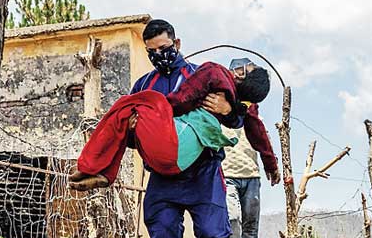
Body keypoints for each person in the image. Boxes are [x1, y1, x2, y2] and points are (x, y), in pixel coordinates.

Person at [92, 19, 242, 238]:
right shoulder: (143, 86)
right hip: (162, 177)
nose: (160, 55)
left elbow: (237, 118)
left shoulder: (202, 75)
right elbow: (129, 136)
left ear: (177, 43)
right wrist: (132, 130)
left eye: (165, 48)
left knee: (213, 237)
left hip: (204, 172)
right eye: (152, 52)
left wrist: (228, 109)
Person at [70, 61, 271, 186]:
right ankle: (103, 173)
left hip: (171, 145)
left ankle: (92, 166)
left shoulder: (216, 72)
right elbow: (257, 131)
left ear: (242, 75)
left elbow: (180, 100)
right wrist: (271, 164)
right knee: (130, 117)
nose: (240, 67)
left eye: (247, 68)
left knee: (129, 104)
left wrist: (156, 111)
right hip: (182, 161)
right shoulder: (244, 105)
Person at [222, 58, 281, 238]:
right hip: (226, 174)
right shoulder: (219, 101)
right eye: (238, 71)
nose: (241, 75)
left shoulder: (251, 108)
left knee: (250, 226)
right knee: (233, 220)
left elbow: (261, 137)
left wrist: (271, 165)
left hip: (251, 175)